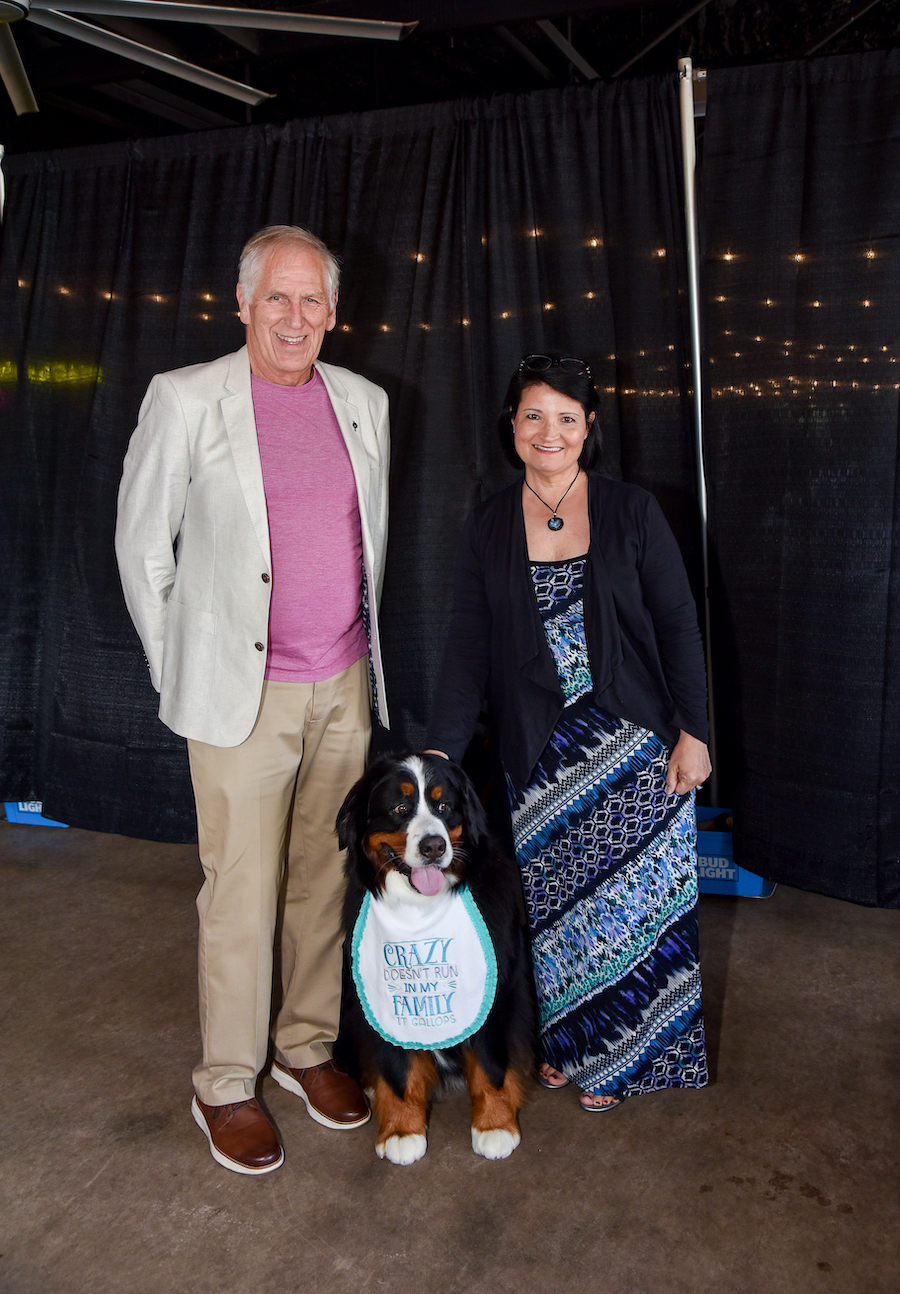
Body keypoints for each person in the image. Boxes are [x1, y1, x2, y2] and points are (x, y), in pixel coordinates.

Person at [115, 225, 390, 1173]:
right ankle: (226, 1081)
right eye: (277, 296)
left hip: (345, 686)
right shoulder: (186, 400)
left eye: (313, 299)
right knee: (238, 891)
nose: (295, 316)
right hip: (242, 697)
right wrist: (181, 670)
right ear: (239, 304)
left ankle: (304, 1046)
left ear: (333, 312)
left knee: (325, 879)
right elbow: (142, 550)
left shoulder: (364, 403)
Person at [425, 353, 710, 1112]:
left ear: (589, 429)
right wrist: (439, 753)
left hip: (638, 747)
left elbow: (680, 626)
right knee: (561, 913)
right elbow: (466, 648)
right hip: (541, 757)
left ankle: (628, 1061)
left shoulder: (633, 510)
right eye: (533, 415)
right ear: (511, 426)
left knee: (634, 912)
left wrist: (696, 732)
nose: (548, 432)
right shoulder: (487, 522)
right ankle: (573, 1044)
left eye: (567, 417)